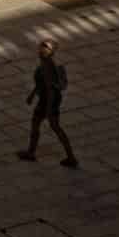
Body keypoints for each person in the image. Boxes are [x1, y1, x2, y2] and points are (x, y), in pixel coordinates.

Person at [18, 37, 78, 168]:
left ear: (51, 51)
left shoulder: (48, 66)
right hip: (46, 98)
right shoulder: (44, 62)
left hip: (49, 100)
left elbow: (50, 88)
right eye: (41, 45)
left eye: (45, 47)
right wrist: (32, 95)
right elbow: (41, 83)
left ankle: (71, 157)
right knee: (37, 123)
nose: (41, 48)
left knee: (54, 126)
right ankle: (31, 152)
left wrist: (49, 108)